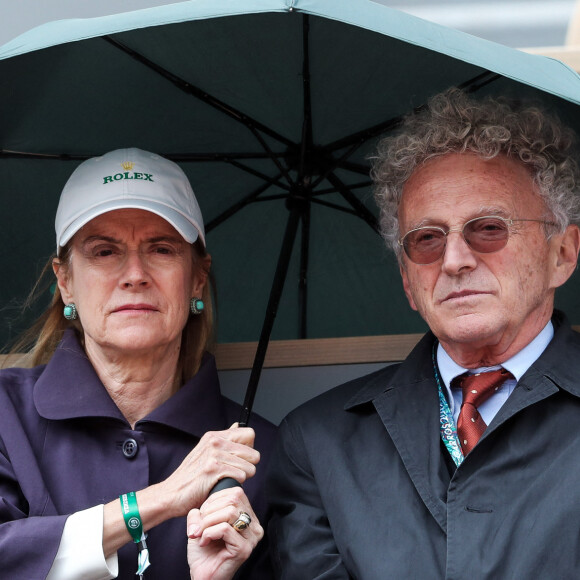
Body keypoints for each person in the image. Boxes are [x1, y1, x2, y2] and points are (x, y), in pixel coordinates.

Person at [267, 88, 580, 578]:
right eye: (427, 240)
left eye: (488, 228)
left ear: (561, 253)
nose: (455, 260)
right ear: (408, 281)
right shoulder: (319, 442)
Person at [0, 148, 276, 579]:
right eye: (105, 251)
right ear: (65, 281)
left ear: (197, 278)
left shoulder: (260, 453)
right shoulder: (4, 413)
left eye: (161, 248)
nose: (134, 274)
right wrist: (159, 500)